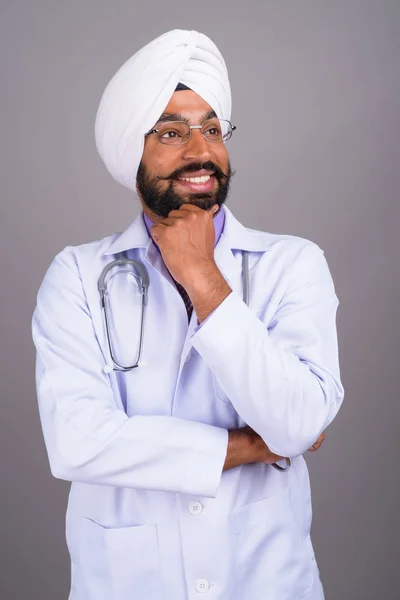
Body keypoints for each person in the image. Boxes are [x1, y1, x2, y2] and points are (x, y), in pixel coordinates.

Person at [32, 29, 343, 600]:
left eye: (211, 129)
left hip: (266, 580)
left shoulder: (292, 263)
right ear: (134, 155)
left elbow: (299, 423)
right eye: (171, 132)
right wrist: (249, 447)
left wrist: (205, 279)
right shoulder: (76, 275)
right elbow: (78, 442)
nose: (201, 151)